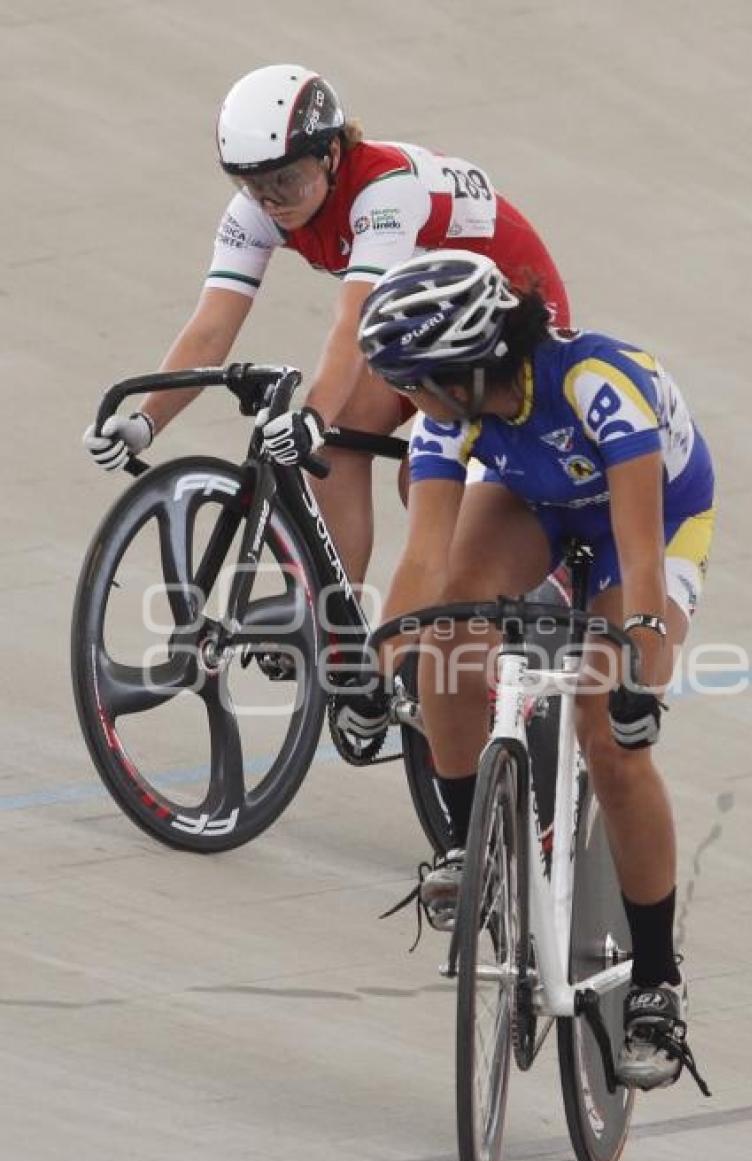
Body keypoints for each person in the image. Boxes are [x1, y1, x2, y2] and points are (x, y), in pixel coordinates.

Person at [351, 249, 715, 1092]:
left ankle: (658, 979)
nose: (407, 402)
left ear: (464, 370)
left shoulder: (598, 386)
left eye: (414, 383)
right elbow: (424, 567)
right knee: (445, 633)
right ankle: (464, 840)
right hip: (537, 503)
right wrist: (382, 658)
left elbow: (639, 553)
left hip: (652, 520)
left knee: (608, 730)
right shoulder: (451, 413)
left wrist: (639, 663)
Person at [83, 63, 570, 591]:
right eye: (251, 183)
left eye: (285, 178)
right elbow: (211, 327)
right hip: (428, 323)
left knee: (427, 479)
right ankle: (337, 631)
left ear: (332, 152)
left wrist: (312, 413)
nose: (270, 199)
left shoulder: (386, 190)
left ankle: (497, 602)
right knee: (335, 446)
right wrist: (145, 423)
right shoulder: (256, 211)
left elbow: (354, 320)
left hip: (506, 320)